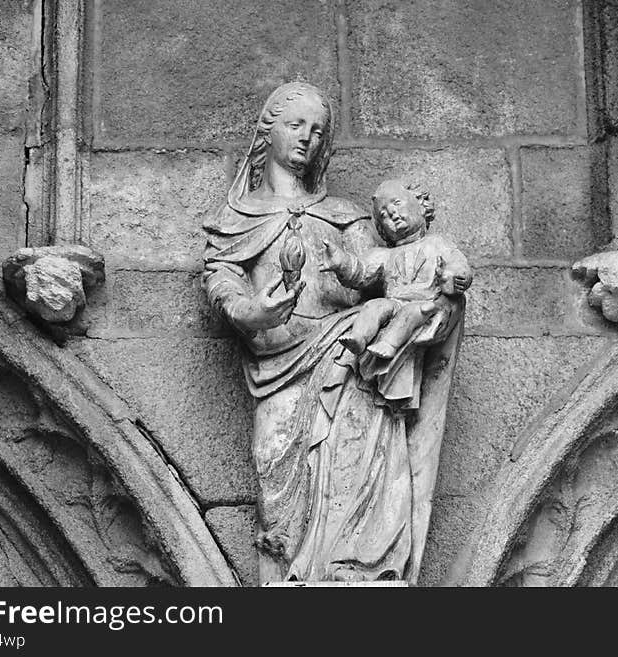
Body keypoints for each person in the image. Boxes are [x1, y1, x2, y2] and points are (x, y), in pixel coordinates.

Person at [202, 82, 465, 584]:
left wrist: (440, 295)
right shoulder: (238, 219)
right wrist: (254, 310)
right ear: (268, 131)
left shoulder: (346, 217)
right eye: (295, 125)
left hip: (351, 358)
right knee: (277, 476)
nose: (307, 139)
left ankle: (353, 577)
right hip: (278, 365)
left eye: (318, 131)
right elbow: (221, 281)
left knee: (357, 472)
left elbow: (385, 280)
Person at [321, 179, 473, 361]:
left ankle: (388, 344)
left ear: (421, 204)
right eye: (383, 215)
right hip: (394, 301)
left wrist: (457, 276)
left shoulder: (437, 243)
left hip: (424, 301)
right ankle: (358, 338)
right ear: (382, 230)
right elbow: (360, 273)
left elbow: (457, 264)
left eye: (397, 203)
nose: (392, 213)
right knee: (373, 306)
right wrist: (341, 262)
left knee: (412, 313)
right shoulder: (383, 255)